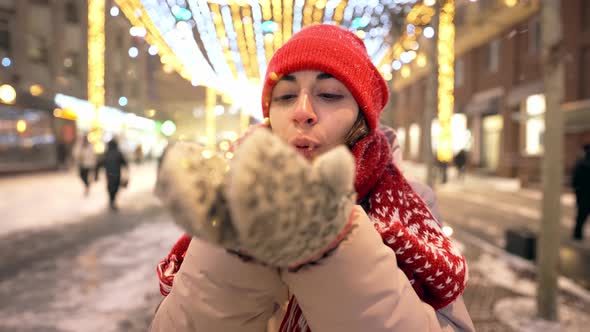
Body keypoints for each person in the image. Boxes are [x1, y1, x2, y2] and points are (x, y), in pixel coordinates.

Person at [151, 24, 474, 332]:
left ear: (362, 118)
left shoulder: (410, 204)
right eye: (286, 95)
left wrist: (331, 241)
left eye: (330, 94)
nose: (302, 110)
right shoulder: (229, 195)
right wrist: (236, 245)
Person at [97, 139, 128, 211]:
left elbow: (100, 163)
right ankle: (112, 200)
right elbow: (124, 163)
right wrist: (126, 169)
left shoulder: (106, 153)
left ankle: (112, 200)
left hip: (109, 174)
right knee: (115, 187)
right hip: (117, 173)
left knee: (110, 187)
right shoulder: (118, 153)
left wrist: (96, 173)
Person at [572, 144, 590, 240]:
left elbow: (575, 179)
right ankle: (577, 234)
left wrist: (576, 190)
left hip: (583, 194)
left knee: (581, 215)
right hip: (584, 193)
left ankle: (577, 234)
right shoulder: (582, 163)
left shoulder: (581, 163)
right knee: (581, 215)